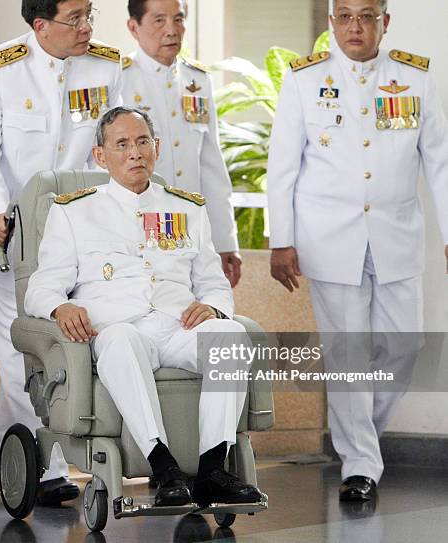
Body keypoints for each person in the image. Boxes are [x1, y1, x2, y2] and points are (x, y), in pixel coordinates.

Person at [25, 106, 266, 507]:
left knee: (230, 335)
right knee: (120, 339)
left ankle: (212, 470)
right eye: (121, 144)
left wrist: (214, 308)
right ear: (100, 156)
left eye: (142, 142)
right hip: (119, 329)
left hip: (178, 329)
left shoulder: (187, 208)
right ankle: (164, 466)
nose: (135, 153)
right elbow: (42, 286)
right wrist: (59, 308)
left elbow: (214, 284)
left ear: (156, 148)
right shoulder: (73, 211)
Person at [267, 0, 448, 501]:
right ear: (331, 23)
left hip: (396, 235)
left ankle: (359, 438)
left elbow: (440, 163)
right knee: (348, 354)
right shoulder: (305, 80)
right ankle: (360, 465)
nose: (355, 26)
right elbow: (282, 165)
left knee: (405, 348)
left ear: (384, 22)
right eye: (344, 15)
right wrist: (281, 239)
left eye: (366, 16)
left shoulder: (415, 78)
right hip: (330, 239)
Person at [0, 0, 122, 505]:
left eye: (89, 15)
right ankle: (50, 466)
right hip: (11, 239)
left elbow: (107, 153)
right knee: (26, 353)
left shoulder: (106, 65)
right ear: (40, 25)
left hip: (76, 240)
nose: (86, 27)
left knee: (54, 348)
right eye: (73, 18)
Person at [122, 0, 241, 288]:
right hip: (138, 231)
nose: (172, 31)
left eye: (179, 19)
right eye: (159, 21)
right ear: (134, 27)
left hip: (192, 230)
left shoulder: (197, 80)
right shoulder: (119, 78)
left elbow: (211, 164)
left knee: (199, 319)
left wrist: (225, 241)